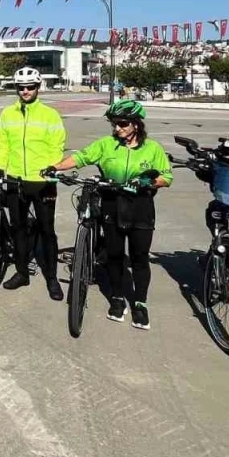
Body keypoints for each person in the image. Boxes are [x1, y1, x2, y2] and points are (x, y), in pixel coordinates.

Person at [46, 100, 172, 330]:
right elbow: (82, 157)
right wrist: (56, 167)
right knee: (114, 255)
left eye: (122, 124)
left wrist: (149, 182)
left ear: (136, 124)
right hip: (112, 204)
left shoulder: (153, 148)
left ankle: (140, 303)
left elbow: (167, 177)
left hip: (141, 207)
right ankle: (116, 297)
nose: (117, 128)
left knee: (139, 257)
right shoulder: (106, 144)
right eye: (114, 124)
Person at [0, 69, 66, 299]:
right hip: (15, 179)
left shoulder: (50, 115)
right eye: (21, 87)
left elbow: (57, 144)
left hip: (42, 181)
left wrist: (52, 167)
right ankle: (22, 272)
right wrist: (0, 167)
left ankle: (52, 278)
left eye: (30, 87)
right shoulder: (8, 113)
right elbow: (3, 144)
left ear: (38, 87)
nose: (25, 91)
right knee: (18, 228)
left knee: (47, 230)